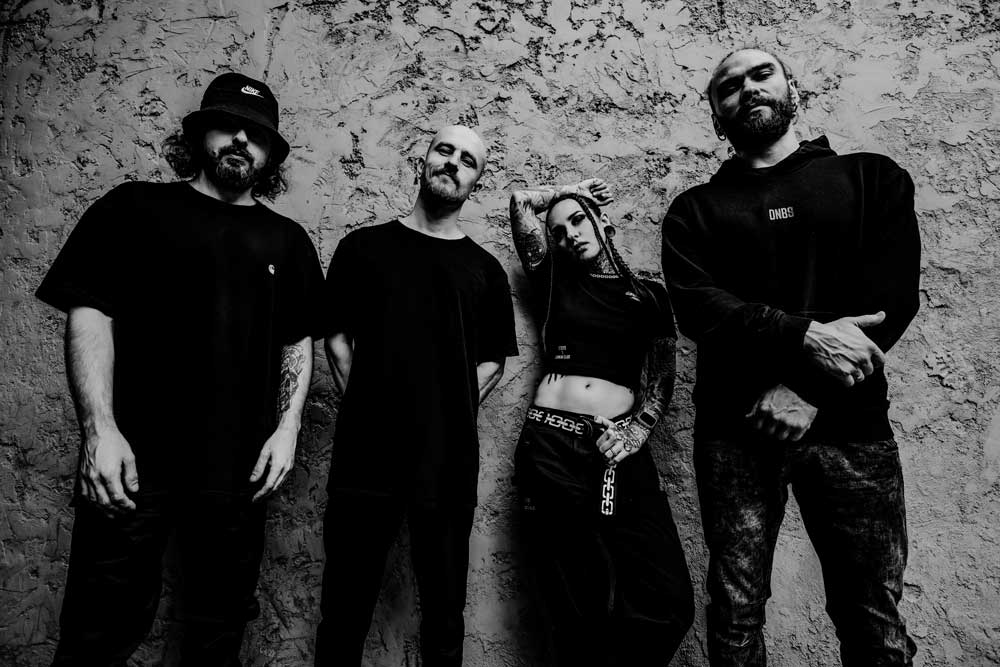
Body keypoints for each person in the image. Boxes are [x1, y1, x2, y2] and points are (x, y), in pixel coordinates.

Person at [36, 72, 325, 666]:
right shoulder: (134, 207)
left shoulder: (288, 241)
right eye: (229, 126)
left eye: (257, 134)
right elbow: (89, 312)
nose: (241, 140)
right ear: (199, 135)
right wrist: (99, 430)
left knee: (217, 640)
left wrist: (288, 428)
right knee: (95, 635)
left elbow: (297, 339)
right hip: (131, 466)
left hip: (237, 474)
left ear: (270, 155)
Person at [661, 47, 920, 666]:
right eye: (728, 87)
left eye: (762, 74)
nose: (748, 89)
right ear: (717, 117)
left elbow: (889, 302)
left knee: (874, 622)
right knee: (735, 619)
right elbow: (700, 308)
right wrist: (803, 335)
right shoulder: (694, 211)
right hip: (735, 433)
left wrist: (807, 393)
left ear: (792, 89)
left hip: (852, 431)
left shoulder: (871, 178)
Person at [315, 125, 518, 667]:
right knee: (343, 611)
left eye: (468, 160)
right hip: (365, 457)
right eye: (444, 150)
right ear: (422, 160)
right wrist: (370, 407)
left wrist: (444, 413)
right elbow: (336, 337)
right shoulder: (362, 248)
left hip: (447, 465)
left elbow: (493, 361)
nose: (453, 162)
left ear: (476, 181)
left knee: (445, 617)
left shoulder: (486, 270)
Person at [508, 178, 694, 666]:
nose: (568, 235)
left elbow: (662, 375)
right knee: (575, 604)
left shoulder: (650, 297)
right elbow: (521, 202)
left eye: (578, 220)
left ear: (603, 221)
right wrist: (567, 191)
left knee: (668, 599)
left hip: (616, 449)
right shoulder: (554, 281)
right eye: (558, 231)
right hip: (550, 447)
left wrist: (637, 431)